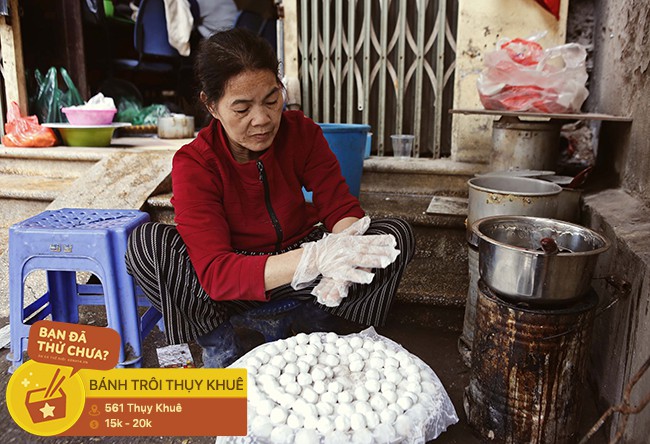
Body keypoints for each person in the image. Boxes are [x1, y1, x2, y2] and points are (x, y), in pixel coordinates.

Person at [125, 28, 415, 368]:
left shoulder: (301, 132)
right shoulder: (195, 163)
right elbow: (217, 275)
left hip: (301, 275)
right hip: (237, 282)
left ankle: (321, 323)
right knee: (147, 245)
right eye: (242, 108)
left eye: (271, 100)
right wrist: (315, 257)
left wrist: (343, 253)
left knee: (393, 235)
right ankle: (221, 347)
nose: (261, 119)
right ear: (211, 105)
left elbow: (340, 206)